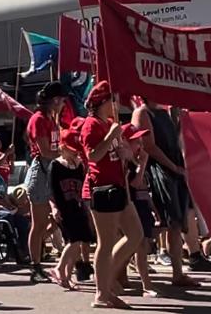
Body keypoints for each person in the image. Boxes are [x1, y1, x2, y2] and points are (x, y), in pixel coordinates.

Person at [132, 100, 211, 284]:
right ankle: (130, 258)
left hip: (175, 170)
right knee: (160, 223)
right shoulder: (142, 113)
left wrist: (179, 120)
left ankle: (177, 272)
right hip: (159, 171)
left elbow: (175, 140)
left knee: (176, 224)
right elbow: (149, 146)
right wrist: (172, 167)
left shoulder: (166, 112)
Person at [81, 81, 143, 309]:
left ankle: (105, 279)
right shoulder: (91, 125)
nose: (115, 103)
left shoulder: (109, 123)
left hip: (120, 187)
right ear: (102, 102)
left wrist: (127, 153)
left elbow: (121, 155)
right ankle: (101, 292)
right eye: (111, 99)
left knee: (135, 234)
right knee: (105, 242)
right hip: (103, 188)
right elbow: (93, 157)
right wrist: (110, 137)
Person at [24, 81, 66, 283]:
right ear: (55, 100)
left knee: (59, 218)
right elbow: (45, 151)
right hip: (41, 171)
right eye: (62, 100)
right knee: (39, 223)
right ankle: (35, 265)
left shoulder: (52, 118)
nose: (64, 104)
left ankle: (47, 258)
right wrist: (66, 152)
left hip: (53, 170)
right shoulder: (38, 119)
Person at [48, 126, 92, 290]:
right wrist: (54, 208)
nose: (75, 153)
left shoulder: (79, 165)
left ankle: (66, 276)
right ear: (63, 147)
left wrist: (85, 207)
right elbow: (51, 190)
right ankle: (59, 269)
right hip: (63, 207)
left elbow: (82, 188)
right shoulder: (56, 165)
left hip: (77, 206)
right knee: (73, 240)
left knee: (79, 241)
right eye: (72, 149)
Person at [121, 123, 159, 298]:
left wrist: (153, 208)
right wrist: (142, 164)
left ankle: (122, 278)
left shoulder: (134, 159)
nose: (140, 144)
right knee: (139, 247)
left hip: (142, 205)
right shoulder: (126, 162)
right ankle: (146, 285)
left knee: (139, 246)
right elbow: (135, 184)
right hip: (132, 206)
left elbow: (144, 189)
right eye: (136, 141)